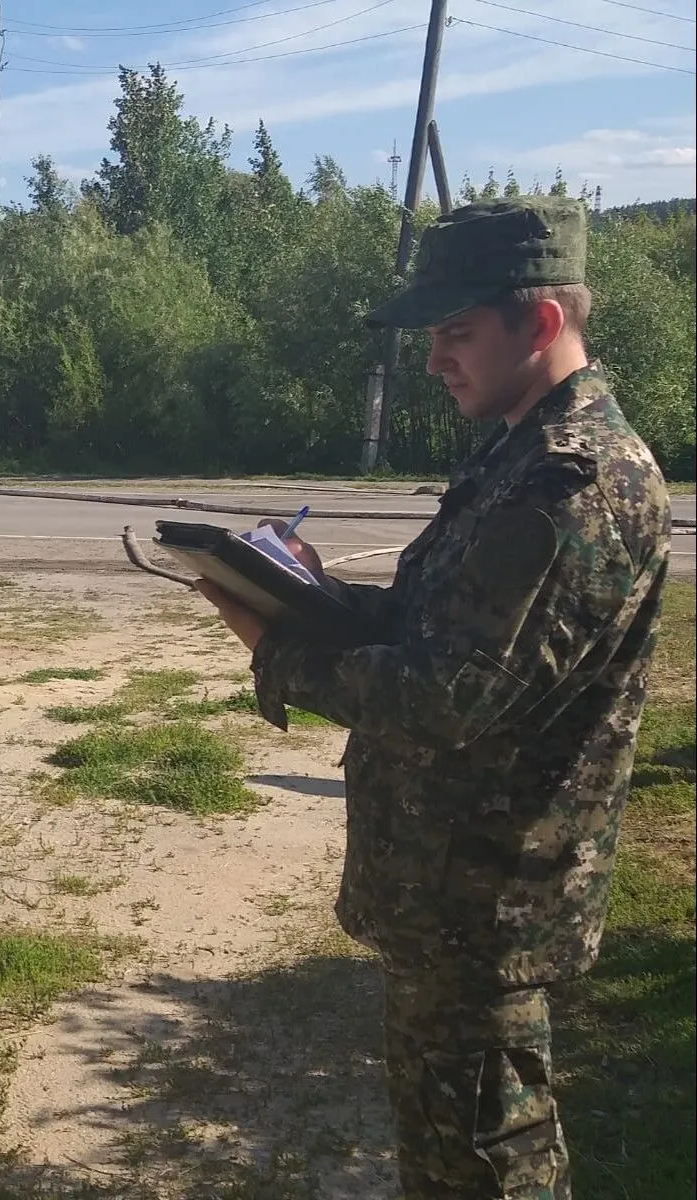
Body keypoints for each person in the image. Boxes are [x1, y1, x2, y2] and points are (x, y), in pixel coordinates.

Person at [196, 196, 671, 1199]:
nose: (433, 359)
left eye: (455, 332)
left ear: (540, 323)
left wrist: (283, 652)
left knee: (491, 1163)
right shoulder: (516, 451)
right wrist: (314, 594)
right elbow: (439, 620)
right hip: (450, 889)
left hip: (489, 900)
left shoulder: (571, 482)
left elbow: (450, 695)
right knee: (450, 1146)